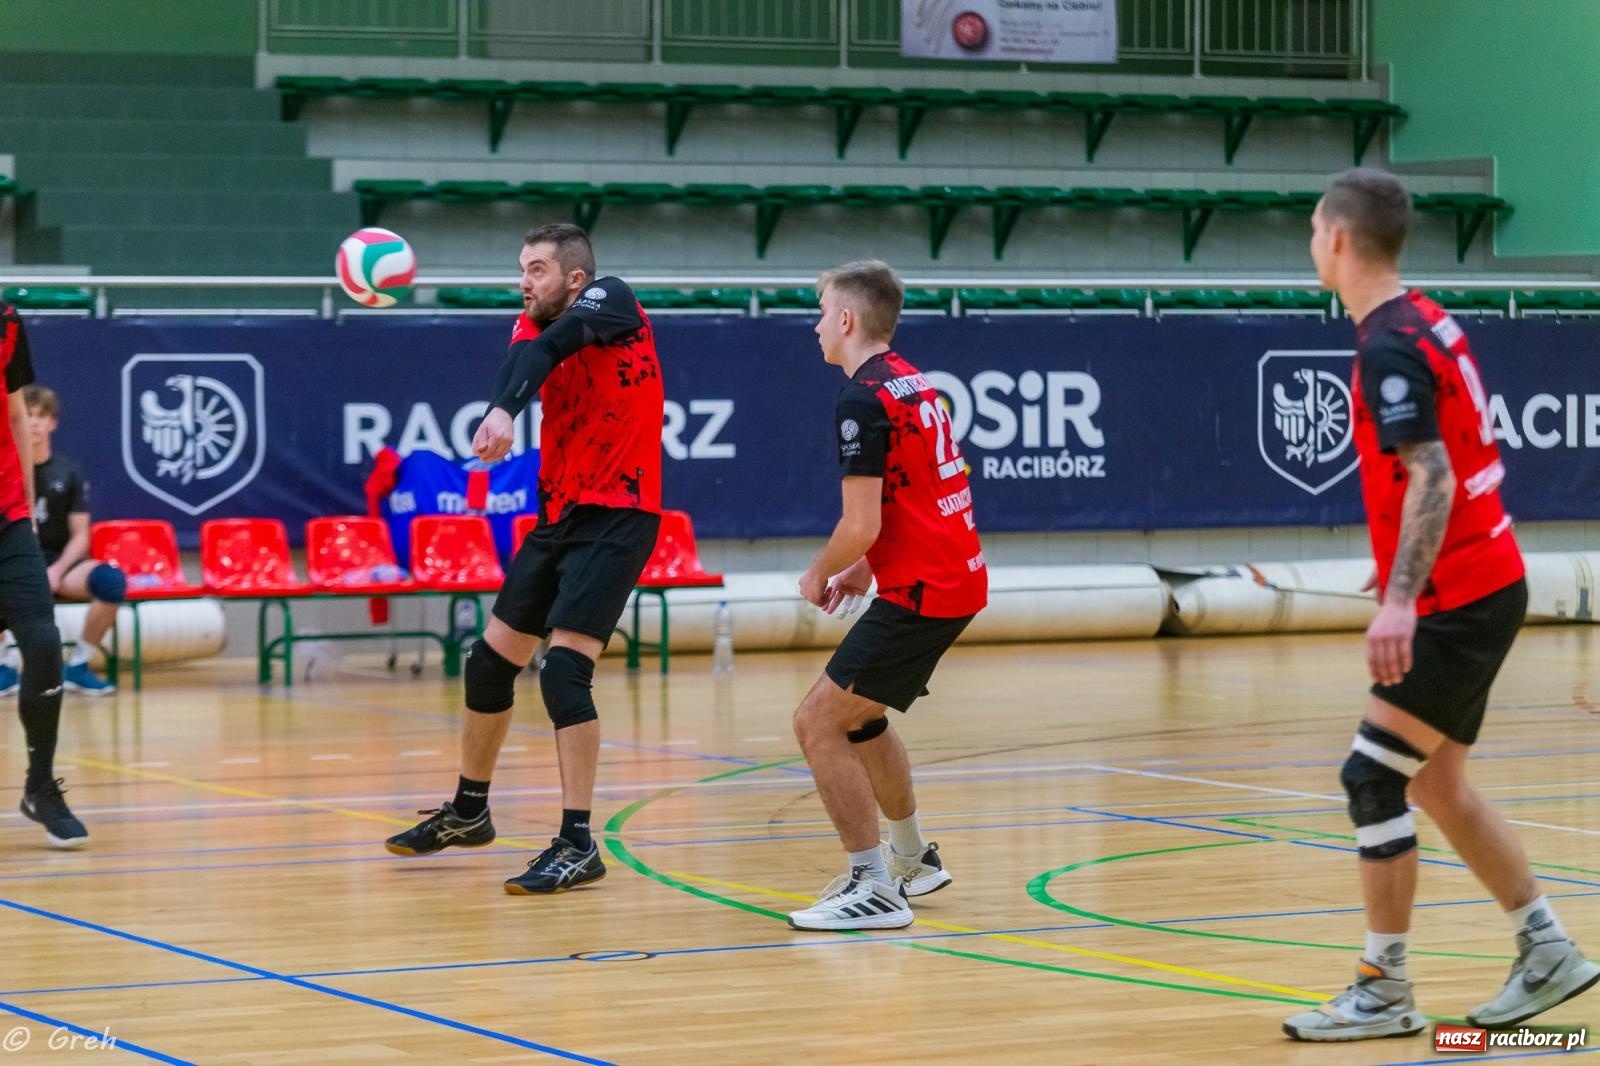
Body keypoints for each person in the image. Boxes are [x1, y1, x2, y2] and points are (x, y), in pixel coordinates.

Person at [1283, 168, 1598, 1040]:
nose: (1312, 244)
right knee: (1439, 781)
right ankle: (1546, 950)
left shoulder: (1388, 343)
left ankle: (1383, 988)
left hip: (1460, 598)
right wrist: (1394, 571)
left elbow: (1434, 471)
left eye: (1314, 229)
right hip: (1485, 580)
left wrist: (1399, 597)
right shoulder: (1424, 317)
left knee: (1371, 776)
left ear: (1338, 240)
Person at [384, 223, 663, 894]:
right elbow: (528, 363)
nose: (524, 281)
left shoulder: (613, 299)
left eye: (536, 269)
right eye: (521, 269)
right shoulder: (528, 323)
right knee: (488, 665)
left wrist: (508, 412)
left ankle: (577, 842)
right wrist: (503, 409)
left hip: (619, 515)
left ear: (575, 278)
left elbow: (564, 341)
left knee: (563, 672)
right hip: (559, 513)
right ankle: (470, 810)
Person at [785, 260, 988, 932]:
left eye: (821, 312)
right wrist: (866, 571)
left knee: (817, 722)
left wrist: (820, 571)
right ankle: (912, 859)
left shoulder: (861, 398)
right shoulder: (913, 380)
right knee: (859, 716)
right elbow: (915, 498)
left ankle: (872, 885)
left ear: (847, 320)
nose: (815, 326)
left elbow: (861, 521)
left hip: (928, 588)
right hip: (949, 577)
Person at [0, 303, 86, 847]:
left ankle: (40, 787)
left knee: (44, 640)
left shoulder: (6, 321)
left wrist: (27, 512)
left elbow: (13, 417)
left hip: (7, 518)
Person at [0, 385, 123, 697]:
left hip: (59, 564)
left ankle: (79, 666)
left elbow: (82, 535)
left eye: (42, 416)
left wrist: (56, 571)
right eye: (27, 415)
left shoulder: (68, 471)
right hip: (14, 561)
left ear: (53, 423)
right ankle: (4, 668)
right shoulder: (6, 472)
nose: (34, 423)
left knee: (111, 581)